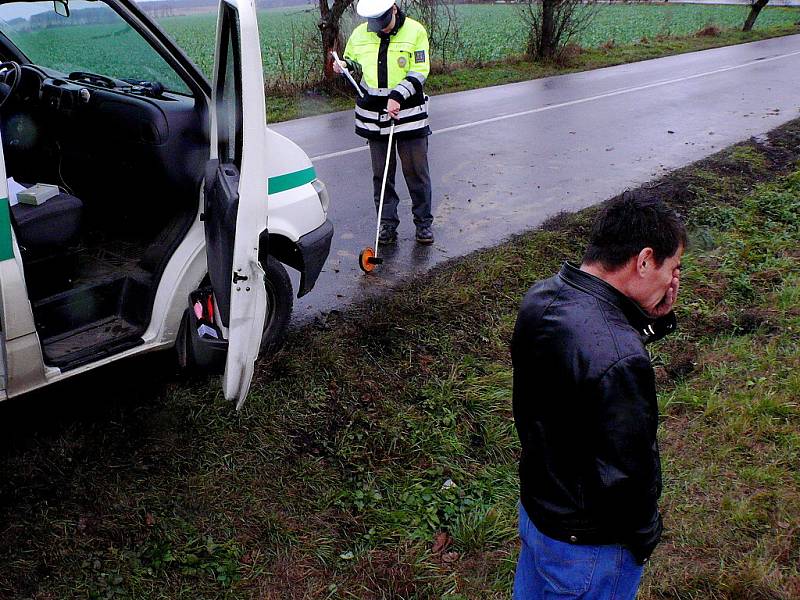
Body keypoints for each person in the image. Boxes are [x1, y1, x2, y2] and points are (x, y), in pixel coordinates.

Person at [511, 190, 686, 599]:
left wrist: (651, 319)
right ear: (644, 260)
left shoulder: (542, 297)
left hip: (541, 512)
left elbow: (587, 360)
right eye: (674, 267)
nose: (673, 280)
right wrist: (645, 537)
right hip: (588, 548)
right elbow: (628, 477)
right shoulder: (620, 357)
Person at [332, 0, 434, 245]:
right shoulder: (361, 33)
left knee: (416, 173)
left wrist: (398, 95)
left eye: (383, 22)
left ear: (394, 9)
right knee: (382, 175)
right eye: (374, 23)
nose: (379, 28)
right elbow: (355, 63)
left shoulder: (415, 31)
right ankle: (387, 225)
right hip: (374, 119)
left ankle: (423, 224)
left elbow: (420, 69)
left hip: (409, 115)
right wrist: (344, 66)